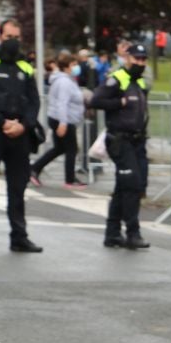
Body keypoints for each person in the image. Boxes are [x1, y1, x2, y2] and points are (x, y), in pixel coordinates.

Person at [0, 21, 42, 253]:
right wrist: (2, 122)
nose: (13, 40)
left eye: (17, 36)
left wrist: (24, 125)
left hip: (19, 134)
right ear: (0, 37)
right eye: (8, 36)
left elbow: (34, 102)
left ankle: (19, 237)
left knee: (18, 186)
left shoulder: (25, 66)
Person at [87, 43, 151, 249]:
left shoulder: (139, 82)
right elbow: (96, 101)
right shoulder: (117, 78)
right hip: (120, 140)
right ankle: (133, 232)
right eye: (136, 59)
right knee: (130, 183)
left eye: (143, 59)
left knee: (131, 185)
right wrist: (119, 103)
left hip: (138, 140)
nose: (140, 63)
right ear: (127, 58)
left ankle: (112, 233)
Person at [31, 51, 86, 189]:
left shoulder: (66, 80)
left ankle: (34, 169)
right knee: (71, 149)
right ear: (66, 67)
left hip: (61, 119)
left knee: (59, 148)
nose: (76, 67)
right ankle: (70, 179)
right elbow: (62, 103)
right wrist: (63, 123)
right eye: (73, 64)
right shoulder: (64, 82)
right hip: (64, 120)